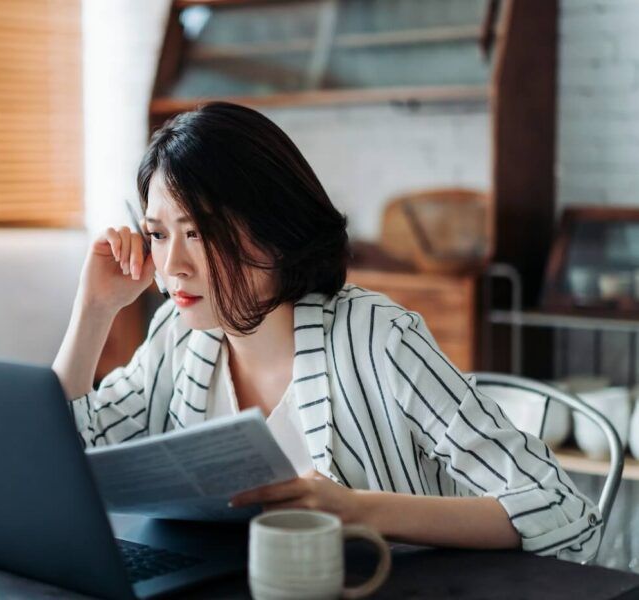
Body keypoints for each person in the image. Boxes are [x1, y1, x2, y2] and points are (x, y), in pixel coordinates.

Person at [52, 102, 601, 562]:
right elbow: (60, 457)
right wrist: (93, 310)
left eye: (197, 232)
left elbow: (560, 509)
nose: (172, 265)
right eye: (157, 233)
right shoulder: (179, 333)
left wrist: (359, 510)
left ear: (274, 230)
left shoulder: (378, 338)